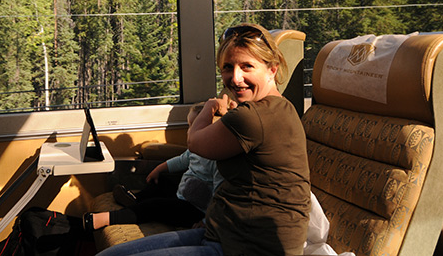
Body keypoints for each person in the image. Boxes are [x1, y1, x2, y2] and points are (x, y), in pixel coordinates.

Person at [98, 23, 311, 256]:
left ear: (272, 69)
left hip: (251, 247)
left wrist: (209, 107)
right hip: (223, 233)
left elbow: (195, 142)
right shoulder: (276, 108)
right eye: (228, 67)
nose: (236, 78)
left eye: (247, 66)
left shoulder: (254, 117)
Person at [83, 103, 223, 231]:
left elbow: (220, 194)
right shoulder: (195, 149)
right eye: (189, 126)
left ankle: (106, 218)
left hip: (196, 210)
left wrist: (206, 220)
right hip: (183, 194)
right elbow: (181, 161)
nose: (189, 131)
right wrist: (159, 169)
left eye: (193, 126)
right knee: (161, 183)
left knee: (155, 206)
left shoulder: (217, 160)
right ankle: (134, 199)